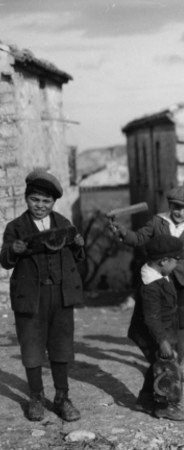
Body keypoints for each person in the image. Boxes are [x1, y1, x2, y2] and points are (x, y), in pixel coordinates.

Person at [0, 170, 85, 422]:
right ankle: (36, 397)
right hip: (30, 297)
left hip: (60, 295)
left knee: (61, 348)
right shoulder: (15, 227)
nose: (40, 206)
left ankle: (62, 397)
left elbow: (77, 256)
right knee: (32, 347)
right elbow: (4, 260)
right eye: (35, 200)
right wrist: (12, 251)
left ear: (53, 203)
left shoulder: (64, 224)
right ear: (27, 199)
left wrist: (79, 245)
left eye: (46, 201)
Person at [112, 185, 184, 379]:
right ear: (169, 204)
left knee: (180, 321)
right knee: (156, 317)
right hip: (159, 278)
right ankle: (160, 357)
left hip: (182, 281)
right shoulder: (158, 222)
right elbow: (139, 237)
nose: (181, 212)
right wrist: (123, 233)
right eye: (176, 207)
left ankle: (178, 362)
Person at [127, 235, 184, 421]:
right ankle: (163, 406)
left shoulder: (161, 274)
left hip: (162, 330)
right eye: (176, 260)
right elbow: (152, 318)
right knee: (165, 367)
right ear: (164, 261)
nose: (177, 264)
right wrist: (162, 342)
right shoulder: (150, 286)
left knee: (157, 364)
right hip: (150, 333)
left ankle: (144, 400)